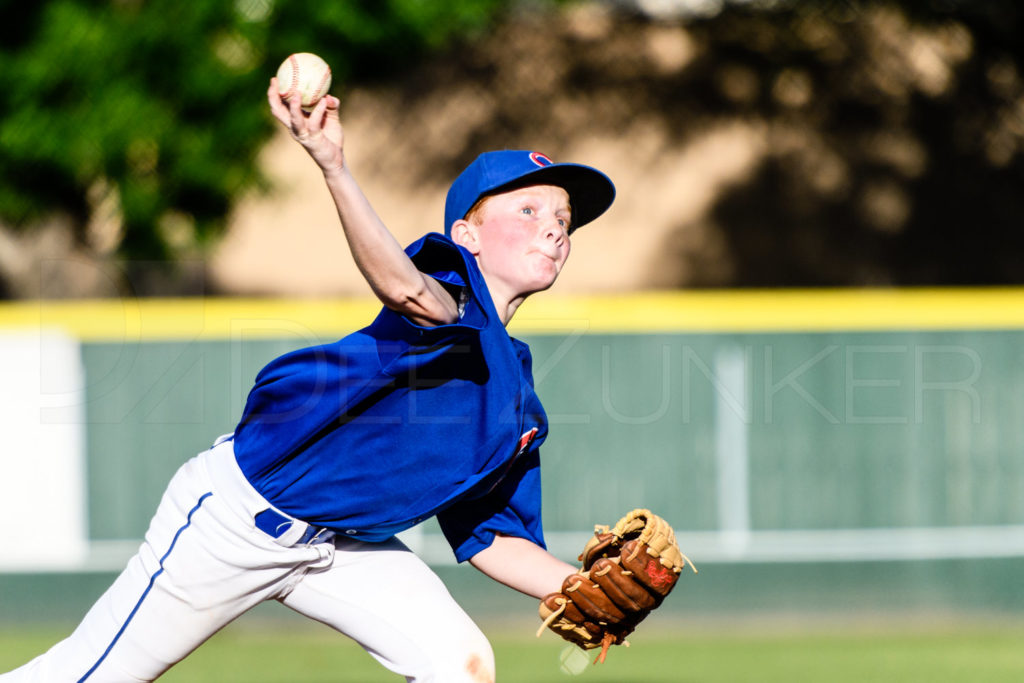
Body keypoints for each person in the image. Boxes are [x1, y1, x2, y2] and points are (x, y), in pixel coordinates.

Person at [1, 78, 615, 683]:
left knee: (460, 664)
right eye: (528, 209)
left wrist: (586, 588)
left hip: (343, 549)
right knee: (89, 675)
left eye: (563, 218)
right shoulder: (450, 300)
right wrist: (332, 166)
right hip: (237, 523)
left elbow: (489, 537)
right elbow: (402, 285)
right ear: (467, 235)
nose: (554, 227)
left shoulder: (519, 406)